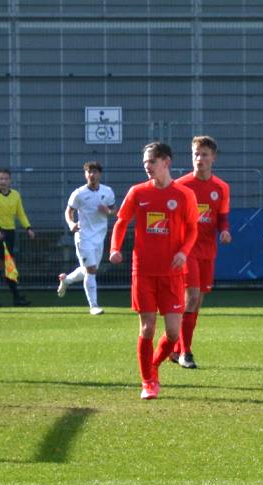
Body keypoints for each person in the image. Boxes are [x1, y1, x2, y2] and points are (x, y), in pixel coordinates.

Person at [108, 142, 198, 400]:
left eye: (151, 161)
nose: (147, 166)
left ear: (166, 162)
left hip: (172, 273)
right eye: (145, 162)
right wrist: (115, 248)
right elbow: (121, 222)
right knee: (147, 328)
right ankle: (147, 381)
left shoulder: (183, 194)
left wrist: (183, 252)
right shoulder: (137, 192)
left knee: (173, 333)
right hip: (144, 272)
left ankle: (154, 365)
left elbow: (193, 229)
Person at [170, 136, 232, 369]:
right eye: (196, 154)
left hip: (208, 250)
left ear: (213, 157)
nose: (199, 158)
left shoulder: (221, 187)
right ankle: (186, 352)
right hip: (187, 250)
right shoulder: (181, 185)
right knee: (192, 297)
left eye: (204, 154)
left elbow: (222, 217)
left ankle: (176, 347)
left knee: (197, 302)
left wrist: (224, 231)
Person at [58, 161, 117, 315]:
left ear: (100, 174)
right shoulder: (79, 193)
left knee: (89, 270)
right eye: (89, 172)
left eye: (95, 171)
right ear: (85, 174)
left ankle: (67, 280)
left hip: (99, 236)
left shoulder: (107, 191)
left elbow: (114, 210)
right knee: (91, 270)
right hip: (83, 236)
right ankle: (93, 306)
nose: (92, 174)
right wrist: (71, 223)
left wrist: (108, 211)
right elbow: (69, 211)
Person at [0, 168, 34, 307]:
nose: (3, 181)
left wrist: (28, 228)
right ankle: (16, 297)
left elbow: (21, 214)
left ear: (10, 181)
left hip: (10, 233)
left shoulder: (15, 195)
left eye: (5, 179)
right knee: (8, 262)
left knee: (1, 263)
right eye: (0, 179)